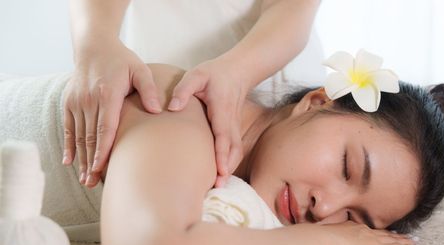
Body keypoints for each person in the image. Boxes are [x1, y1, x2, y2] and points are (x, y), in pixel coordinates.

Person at [92, 61, 444, 245]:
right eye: (346, 168)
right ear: (316, 103)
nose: (326, 212)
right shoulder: (179, 107)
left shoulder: (244, 194)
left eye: (354, 219)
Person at [63, 0, 324, 190]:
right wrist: (95, 46)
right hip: (173, 101)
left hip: (283, 104)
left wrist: (238, 72)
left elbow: (292, 6)